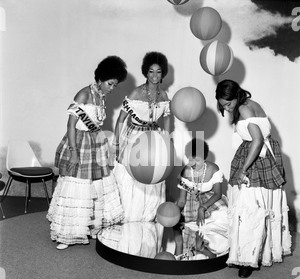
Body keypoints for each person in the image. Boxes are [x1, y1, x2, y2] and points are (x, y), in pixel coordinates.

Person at [47, 56, 128, 250]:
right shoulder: (83, 94)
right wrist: (74, 153)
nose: (112, 88)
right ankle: (68, 234)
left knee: (97, 185)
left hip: (95, 142)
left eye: (115, 85)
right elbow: (71, 125)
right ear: (100, 79)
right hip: (79, 142)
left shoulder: (101, 95)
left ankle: (90, 226)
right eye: (110, 84)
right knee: (78, 185)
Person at [215, 79, 292, 277]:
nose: (227, 108)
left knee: (249, 209)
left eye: (228, 104)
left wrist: (243, 169)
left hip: (256, 158)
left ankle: (247, 260)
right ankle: (255, 252)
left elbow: (256, 141)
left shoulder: (245, 109)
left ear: (236, 97)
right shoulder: (251, 103)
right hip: (264, 155)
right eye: (223, 105)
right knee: (260, 205)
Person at [112, 51, 171, 222]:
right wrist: (116, 144)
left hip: (154, 138)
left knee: (153, 175)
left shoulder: (164, 96)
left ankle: (147, 217)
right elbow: (121, 119)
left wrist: (166, 139)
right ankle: (129, 217)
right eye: (151, 71)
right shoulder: (136, 93)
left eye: (158, 71)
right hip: (134, 138)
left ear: (163, 73)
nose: (154, 75)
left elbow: (167, 119)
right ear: (146, 72)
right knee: (131, 179)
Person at [173, 139, 229, 261]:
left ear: (204, 158)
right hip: (191, 203)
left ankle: (218, 250)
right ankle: (200, 247)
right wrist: (174, 214)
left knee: (222, 216)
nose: (193, 163)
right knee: (188, 228)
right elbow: (182, 200)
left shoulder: (213, 169)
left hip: (210, 200)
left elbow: (218, 194)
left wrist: (203, 207)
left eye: (197, 160)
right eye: (190, 159)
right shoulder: (186, 171)